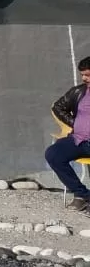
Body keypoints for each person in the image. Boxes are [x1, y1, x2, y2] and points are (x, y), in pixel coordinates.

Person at [47, 57, 90, 211]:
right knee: (53, 154)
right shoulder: (79, 91)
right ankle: (82, 194)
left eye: (88, 75)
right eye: (83, 75)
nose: (84, 78)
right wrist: (75, 123)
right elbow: (58, 107)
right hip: (79, 139)